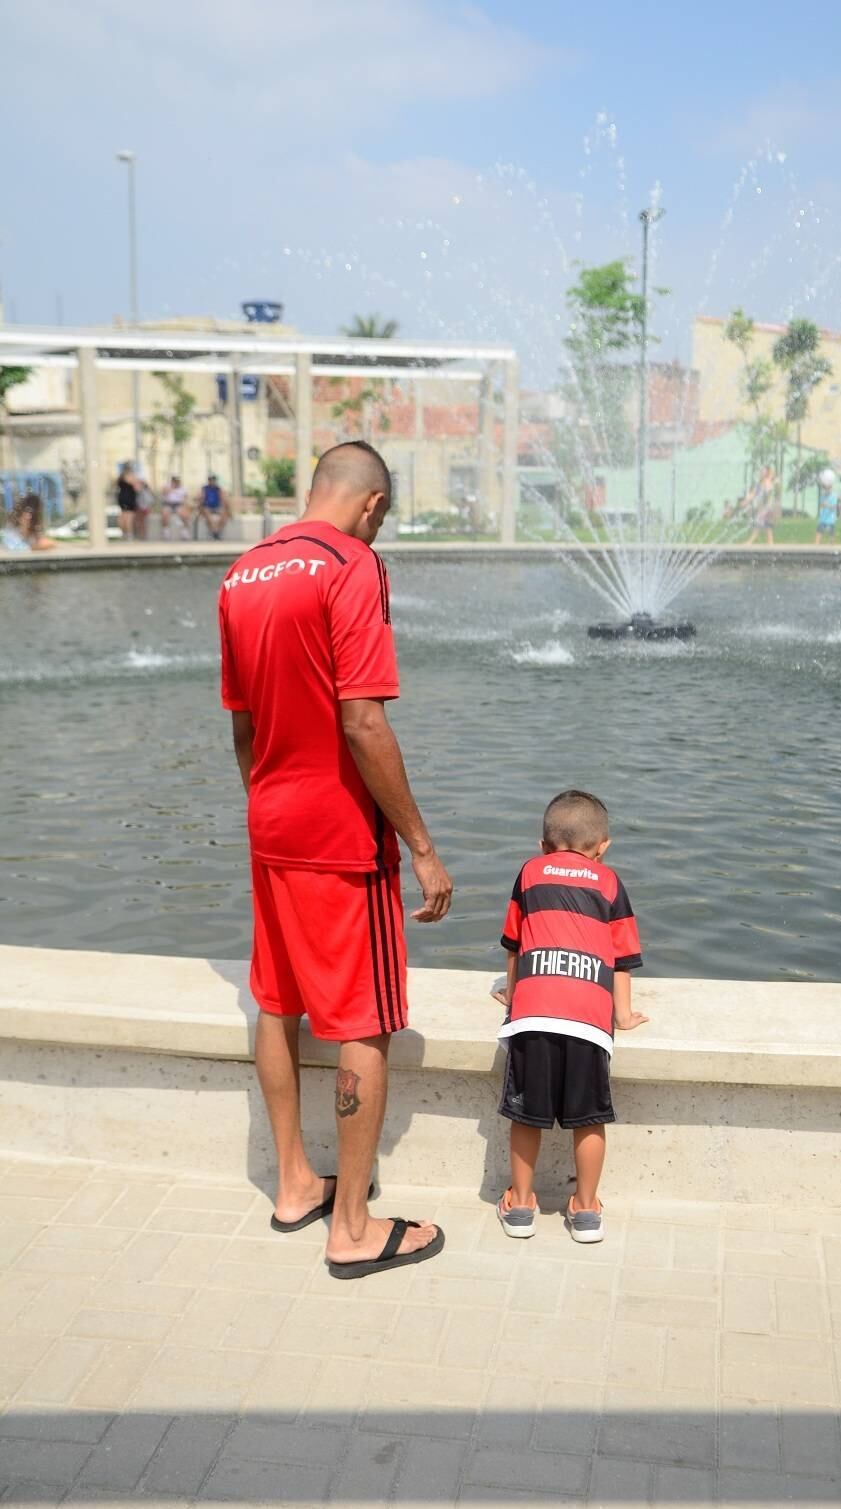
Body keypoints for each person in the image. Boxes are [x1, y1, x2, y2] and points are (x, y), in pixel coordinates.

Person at [219, 440, 452, 1279]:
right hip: (340, 837)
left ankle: (292, 1184)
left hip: (269, 823)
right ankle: (350, 1225)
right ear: (373, 505)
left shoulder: (242, 572)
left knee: (276, 1002)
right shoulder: (353, 563)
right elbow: (363, 720)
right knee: (364, 1020)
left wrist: (271, 800)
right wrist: (421, 847)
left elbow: (242, 728)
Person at [491, 790, 648, 1244]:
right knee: (588, 1119)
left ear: (543, 845)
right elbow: (622, 959)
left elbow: (514, 943)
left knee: (525, 1115)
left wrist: (514, 994)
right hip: (586, 1022)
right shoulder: (610, 882)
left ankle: (520, 1205)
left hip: (533, 1017)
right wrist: (623, 1015)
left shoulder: (529, 872)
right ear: (603, 846)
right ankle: (585, 1210)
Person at [744, 466, 777, 546]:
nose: (761, 473)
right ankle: (770, 543)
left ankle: (750, 542)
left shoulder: (767, 482)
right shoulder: (760, 483)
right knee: (767, 526)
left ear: (766, 473)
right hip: (763, 507)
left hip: (767, 507)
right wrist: (746, 501)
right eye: (761, 471)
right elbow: (753, 494)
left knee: (760, 524)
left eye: (763, 471)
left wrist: (765, 508)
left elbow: (768, 495)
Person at [116, 463, 142, 540]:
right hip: (126, 500)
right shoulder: (124, 477)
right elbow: (137, 488)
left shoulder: (128, 477)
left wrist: (134, 481)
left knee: (126, 518)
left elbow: (138, 488)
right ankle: (126, 534)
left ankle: (127, 534)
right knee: (125, 519)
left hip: (127, 500)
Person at [199, 474, 228, 540]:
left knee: (224, 516)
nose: (212, 481)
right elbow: (201, 498)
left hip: (217, 507)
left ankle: (216, 532)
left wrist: (224, 506)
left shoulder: (218, 489)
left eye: (213, 480)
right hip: (207, 507)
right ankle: (215, 532)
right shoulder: (204, 488)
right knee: (209, 516)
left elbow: (223, 498)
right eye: (211, 480)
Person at [814, 471, 840, 545]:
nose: (826, 490)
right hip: (823, 519)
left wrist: (827, 505)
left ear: (831, 488)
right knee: (818, 533)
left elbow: (833, 508)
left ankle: (831, 547)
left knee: (831, 536)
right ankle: (816, 547)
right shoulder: (823, 496)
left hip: (831, 519)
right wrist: (824, 504)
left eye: (828, 488)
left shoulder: (834, 496)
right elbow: (821, 505)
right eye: (825, 488)